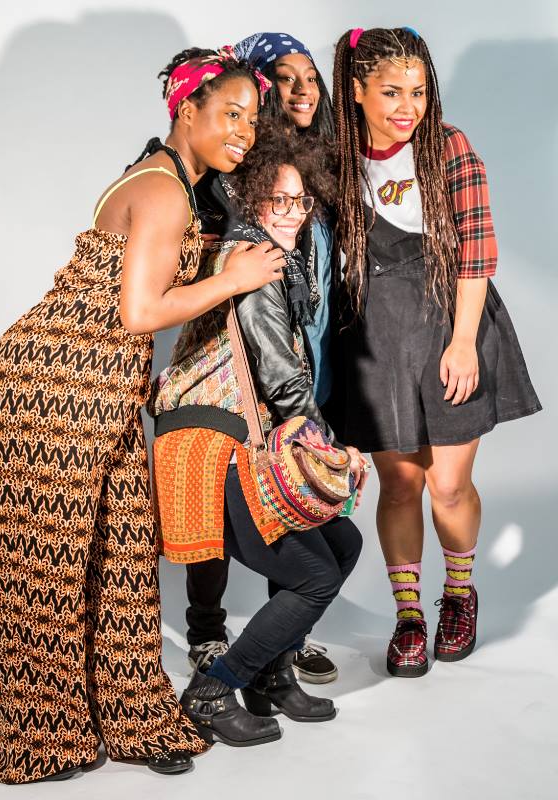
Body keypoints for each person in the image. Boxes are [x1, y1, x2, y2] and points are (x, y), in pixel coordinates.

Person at [0, 46, 283, 784]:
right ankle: (36, 739)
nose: (244, 131)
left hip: (100, 391)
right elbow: (141, 310)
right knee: (44, 570)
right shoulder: (163, 192)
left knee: (121, 556)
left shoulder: (180, 183)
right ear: (188, 112)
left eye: (253, 118)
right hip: (51, 389)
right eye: (230, 114)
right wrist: (234, 277)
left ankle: (130, 715)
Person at [331, 27, 541, 677]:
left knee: (448, 484)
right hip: (375, 333)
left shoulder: (448, 148)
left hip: (453, 317)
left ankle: (457, 595)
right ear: (357, 90)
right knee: (399, 482)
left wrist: (462, 342)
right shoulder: (336, 158)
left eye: (418, 91)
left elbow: (477, 253)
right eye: (391, 91)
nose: (407, 106)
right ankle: (409, 617)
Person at [149, 125, 366, 747]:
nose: (293, 215)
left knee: (342, 545)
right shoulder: (257, 267)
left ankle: (269, 676)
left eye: (301, 202)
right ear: (250, 200)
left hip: (242, 437)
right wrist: (332, 447)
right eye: (278, 202)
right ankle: (215, 687)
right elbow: (280, 377)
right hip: (214, 442)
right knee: (315, 574)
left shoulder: (272, 260)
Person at [187, 31, 343, 685]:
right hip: (239, 363)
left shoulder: (316, 161)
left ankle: (284, 632)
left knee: (292, 497)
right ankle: (208, 634)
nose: (302, 89)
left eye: (311, 75)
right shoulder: (230, 167)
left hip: (305, 356)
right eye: (285, 76)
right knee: (219, 501)